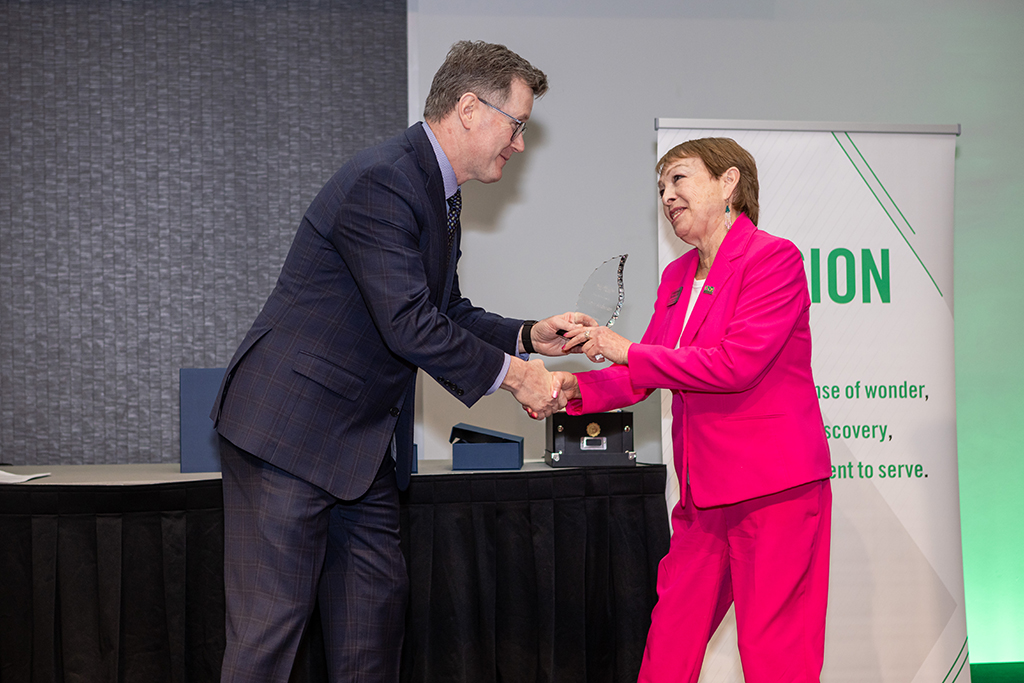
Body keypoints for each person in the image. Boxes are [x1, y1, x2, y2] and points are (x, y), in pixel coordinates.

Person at [210, 40, 586, 683]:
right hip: (288, 437)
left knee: (372, 638)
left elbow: (445, 311)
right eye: (516, 125)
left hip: (358, 452)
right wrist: (516, 379)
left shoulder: (438, 193)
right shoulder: (385, 179)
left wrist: (527, 337)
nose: (519, 145)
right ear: (470, 108)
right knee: (267, 646)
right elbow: (409, 323)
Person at [556, 138, 833, 682]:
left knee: (776, 654)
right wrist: (571, 390)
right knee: (670, 643)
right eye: (661, 187)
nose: (667, 195)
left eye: (679, 179)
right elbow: (646, 372)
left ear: (729, 183)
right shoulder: (678, 276)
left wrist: (626, 349)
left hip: (773, 494)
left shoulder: (773, 258)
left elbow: (735, 366)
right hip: (704, 499)